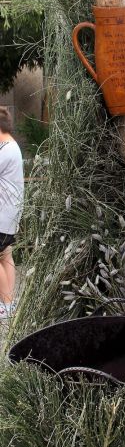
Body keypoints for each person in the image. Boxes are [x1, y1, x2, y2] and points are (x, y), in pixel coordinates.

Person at [0, 106, 24, 319]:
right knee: (6, 255)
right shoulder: (12, 145)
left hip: (2, 215)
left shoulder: (5, 150)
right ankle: (9, 304)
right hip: (9, 214)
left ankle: (5, 304)